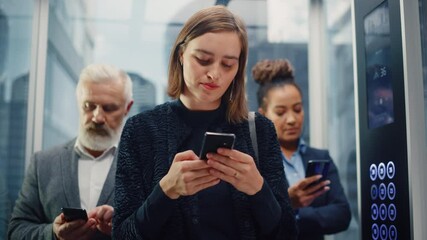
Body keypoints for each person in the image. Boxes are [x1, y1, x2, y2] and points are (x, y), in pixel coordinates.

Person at [113, 5, 297, 240]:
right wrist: (166, 191)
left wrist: (258, 189)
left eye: (228, 64)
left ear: (238, 68)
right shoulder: (141, 130)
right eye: (203, 59)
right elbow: (122, 235)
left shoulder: (259, 130)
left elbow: (288, 233)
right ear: (181, 55)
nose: (214, 74)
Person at [8, 64, 134, 240]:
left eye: (109, 108)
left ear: (128, 108)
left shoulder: (143, 165)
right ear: (78, 102)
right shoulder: (42, 163)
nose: (97, 117)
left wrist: (121, 229)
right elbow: (16, 230)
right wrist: (53, 233)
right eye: (89, 106)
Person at [252, 59, 351, 240]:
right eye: (281, 112)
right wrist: (289, 203)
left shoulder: (320, 157)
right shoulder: (255, 163)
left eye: (297, 109)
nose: (291, 119)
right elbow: (252, 222)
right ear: (263, 114)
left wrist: (293, 213)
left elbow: (342, 214)